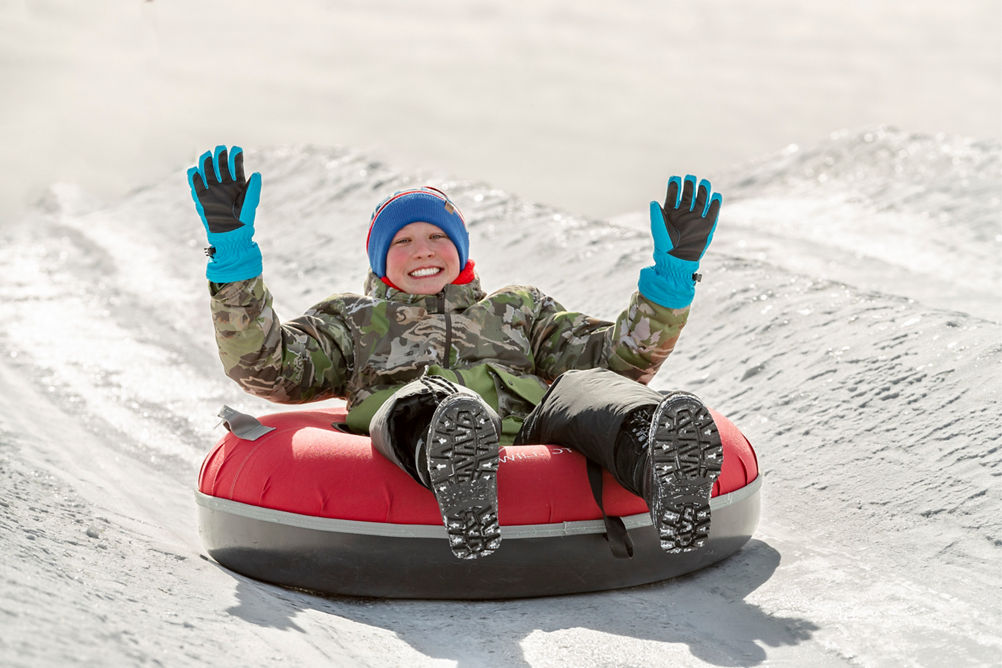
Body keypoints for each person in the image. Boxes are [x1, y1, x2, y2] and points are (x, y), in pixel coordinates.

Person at [187, 145, 723, 561]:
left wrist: (669, 282)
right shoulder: (351, 322)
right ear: (380, 262)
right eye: (401, 241)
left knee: (588, 388)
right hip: (420, 438)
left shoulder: (519, 308)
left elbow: (615, 361)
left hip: (529, 430)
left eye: (436, 236)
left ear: (460, 251)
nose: (422, 249)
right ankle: (461, 472)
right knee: (429, 397)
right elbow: (267, 368)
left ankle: (660, 464)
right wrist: (234, 261)